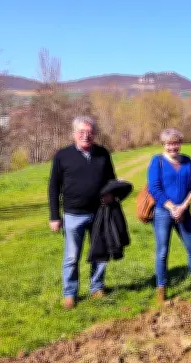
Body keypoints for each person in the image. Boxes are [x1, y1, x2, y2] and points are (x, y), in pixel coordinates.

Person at [48, 116, 117, 309]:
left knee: (100, 254)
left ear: (94, 134)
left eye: (89, 132)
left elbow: (112, 180)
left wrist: (111, 194)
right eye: (81, 132)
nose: (86, 136)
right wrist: (54, 216)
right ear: (74, 134)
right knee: (71, 257)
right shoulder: (62, 156)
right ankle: (70, 294)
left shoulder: (103, 154)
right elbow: (53, 187)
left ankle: (97, 287)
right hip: (73, 214)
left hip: (100, 213)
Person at [147, 128, 191, 306]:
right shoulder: (157, 162)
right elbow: (154, 188)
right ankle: (161, 289)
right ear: (163, 144)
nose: (172, 147)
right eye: (169, 144)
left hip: (184, 211)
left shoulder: (187, 161)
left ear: (180, 143)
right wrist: (172, 208)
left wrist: (183, 207)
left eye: (175, 143)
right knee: (162, 252)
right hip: (163, 213)